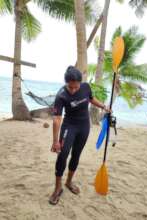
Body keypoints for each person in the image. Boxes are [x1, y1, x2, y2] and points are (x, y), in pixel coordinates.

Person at [49, 66, 111, 205]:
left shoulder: (85, 87)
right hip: (69, 126)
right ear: (66, 83)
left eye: (76, 87)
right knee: (63, 154)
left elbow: (91, 99)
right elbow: (57, 118)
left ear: (80, 84)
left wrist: (103, 106)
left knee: (76, 155)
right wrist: (55, 141)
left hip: (84, 126)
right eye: (70, 87)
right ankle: (57, 188)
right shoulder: (61, 95)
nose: (73, 90)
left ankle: (69, 182)